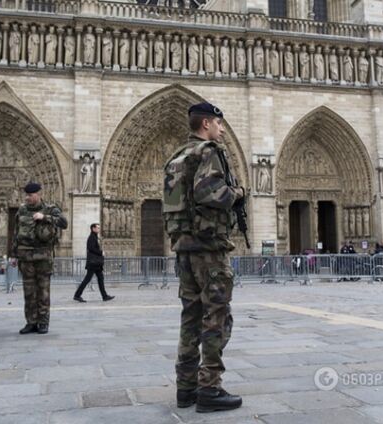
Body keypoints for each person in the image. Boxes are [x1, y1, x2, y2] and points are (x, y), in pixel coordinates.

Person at [163, 102, 245, 413]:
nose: (223, 130)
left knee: (191, 318)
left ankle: (185, 388)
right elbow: (210, 194)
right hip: (209, 249)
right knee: (216, 318)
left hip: (184, 248)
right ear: (207, 124)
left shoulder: (176, 157)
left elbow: (174, 202)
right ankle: (210, 387)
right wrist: (237, 193)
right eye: (220, 124)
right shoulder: (208, 151)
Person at [13, 182, 67, 335]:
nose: (27, 198)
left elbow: (64, 223)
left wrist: (45, 217)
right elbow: (16, 234)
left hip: (43, 257)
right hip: (25, 257)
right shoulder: (22, 210)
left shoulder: (50, 209)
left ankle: (43, 322)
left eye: (30, 195)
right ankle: (31, 322)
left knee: (43, 291)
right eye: (26, 195)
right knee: (28, 292)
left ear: (39, 194)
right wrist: (14, 254)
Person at [73, 223, 114, 303]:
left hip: (95, 263)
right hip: (93, 263)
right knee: (87, 279)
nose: (99, 229)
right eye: (97, 228)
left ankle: (104, 296)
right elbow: (91, 248)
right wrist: (101, 252)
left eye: (99, 228)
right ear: (93, 229)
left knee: (100, 278)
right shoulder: (91, 237)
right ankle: (77, 295)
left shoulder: (94, 237)